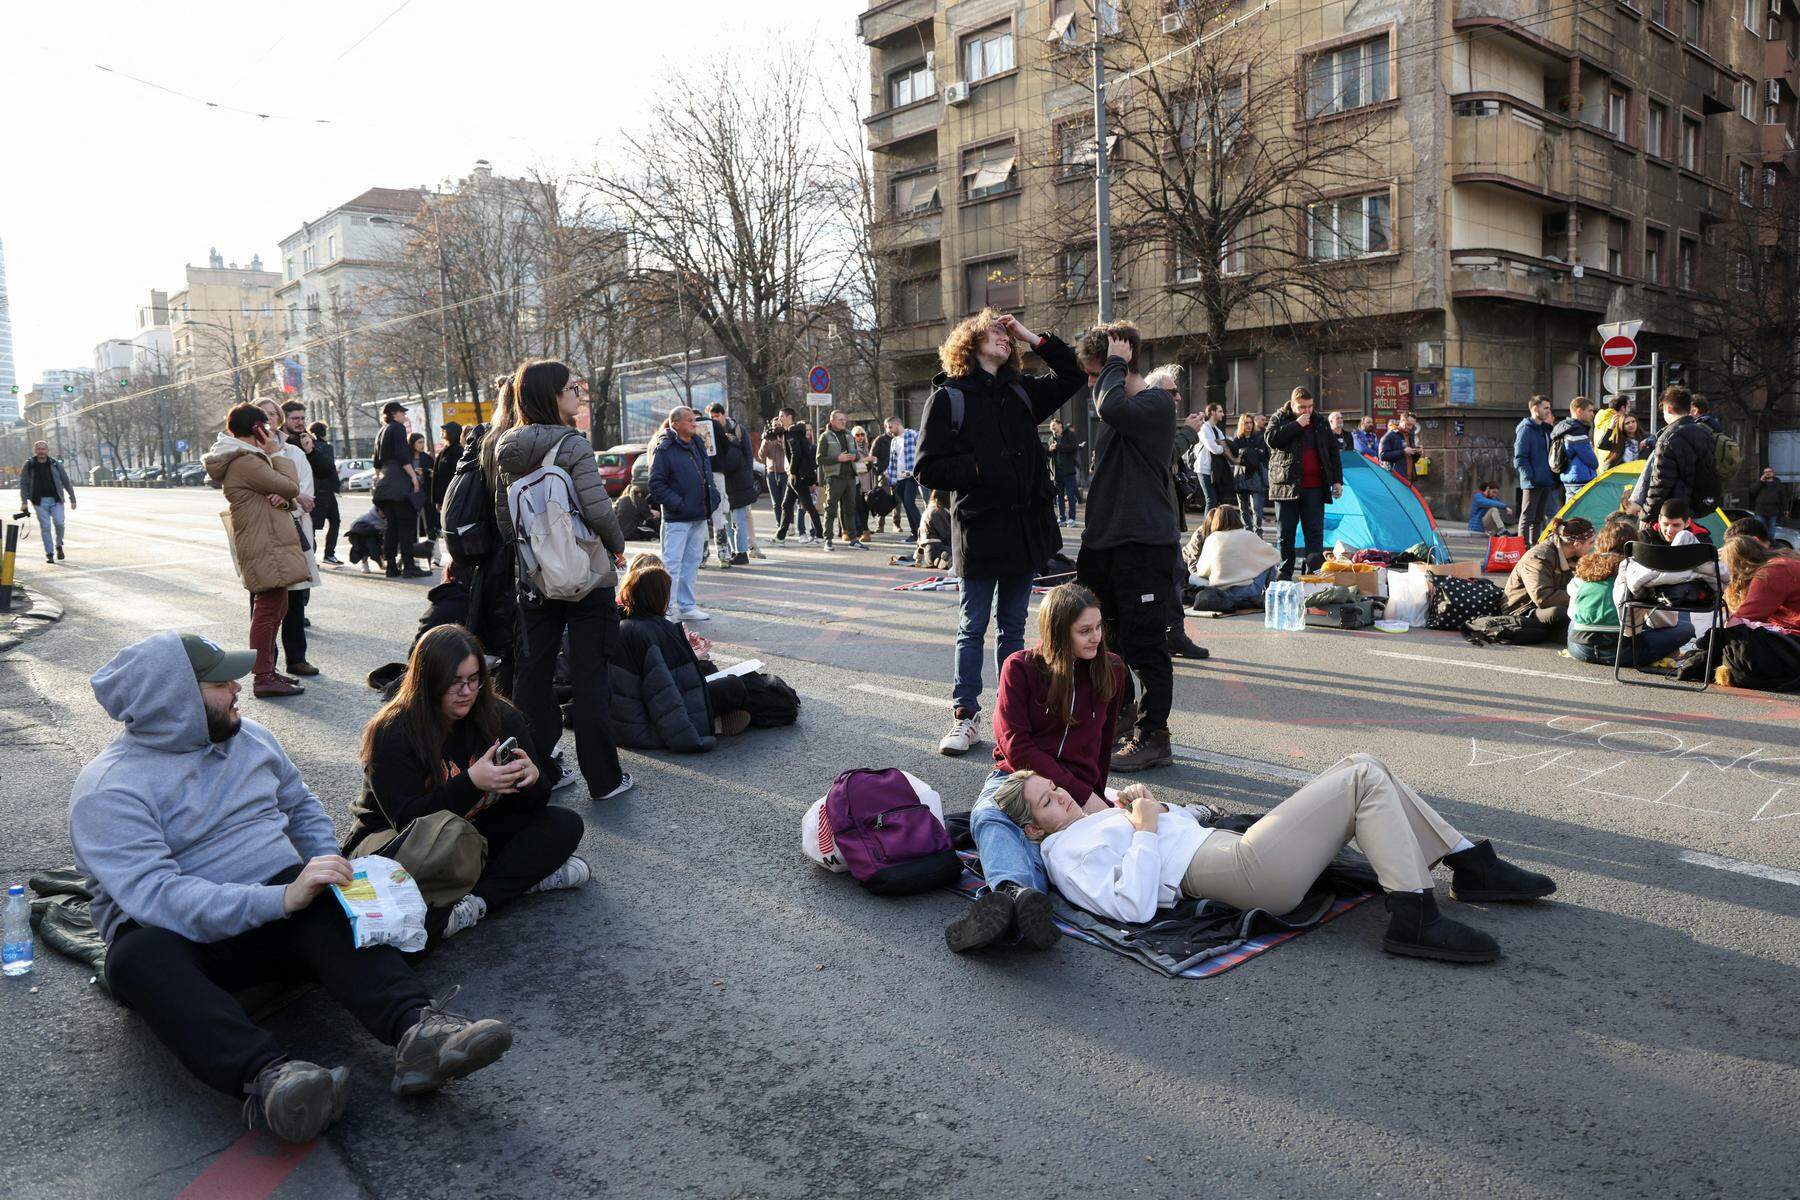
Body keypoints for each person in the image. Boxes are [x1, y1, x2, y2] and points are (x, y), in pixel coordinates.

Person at [70, 632, 514, 1143]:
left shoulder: (251, 737)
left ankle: (421, 1034)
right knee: (134, 958)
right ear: (175, 699)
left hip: (279, 908)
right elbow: (161, 899)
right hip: (188, 937)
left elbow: (302, 807)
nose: (237, 687)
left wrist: (324, 863)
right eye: (221, 683)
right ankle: (274, 1081)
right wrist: (279, 898)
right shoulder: (109, 790)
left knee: (327, 896)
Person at [999, 753, 1554, 963]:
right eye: (1048, 802)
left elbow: (1186, 823)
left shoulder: (1092, 819)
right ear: (1031, 828)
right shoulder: (1064, 853)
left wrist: (1155, 807)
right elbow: (1132, 907)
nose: (1063, 796)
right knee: (1361, 777)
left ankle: (1465, 862)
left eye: (1055, 787)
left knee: (1365, 767)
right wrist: (1144, 831)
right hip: (1235, 868)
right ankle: (1417, 914)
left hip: (1233, 851)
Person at [915, 309, 1086, 755]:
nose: (1004, 338)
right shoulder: (950, 396)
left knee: (1013, 629)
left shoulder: (1020, 390)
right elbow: (926, 467)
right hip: (978, 528)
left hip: (1023, 530)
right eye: (996, 331)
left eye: (1008, 334)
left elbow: (1072, 374)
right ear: (970, 342)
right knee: (972, 626)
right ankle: (964, 715)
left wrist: (1031, 336)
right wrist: (977, 468)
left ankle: (1010, 717)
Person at [349, 624, 587, 942]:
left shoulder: (499, 716)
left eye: (474, 680)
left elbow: (532, 807)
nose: (466, 692)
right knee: (453, 839)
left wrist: (532, 781)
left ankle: (474, 903)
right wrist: (472, 782)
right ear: (428, 682)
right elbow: (408, 820)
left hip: (470, 834)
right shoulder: (393, 731)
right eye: (455, 683)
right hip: (397, 844)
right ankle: (518, 881)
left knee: (564, 823)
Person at [943, 583, 1126, 954]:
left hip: (1074, 793)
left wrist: (1093, 799)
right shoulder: (1021, 667)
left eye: (1099, 626)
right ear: (1058, 631)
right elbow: (1015, 745)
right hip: (1017, 776)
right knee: (989, 815)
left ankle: (1011, 903)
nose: (1097, 637)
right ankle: (1017, 895)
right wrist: (1082, 793)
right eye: (1085, 630)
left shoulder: (1113, 669)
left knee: (1041, 843)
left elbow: (1103, 746)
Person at [492, 359, 631, 801]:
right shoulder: (572, 445)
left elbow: (504, 521)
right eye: (571, 386)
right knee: (590, 677)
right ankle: (604, 780)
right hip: (585, 576)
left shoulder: (505, 450)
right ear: (551, 395)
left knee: (532, 678)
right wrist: (617, 545)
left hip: (534, 579)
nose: (578, 392)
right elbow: (598, 509)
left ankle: (541, 770)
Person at [1075, 320, 1189, 771]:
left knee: (1146, 646)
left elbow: (1111, 406)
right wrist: (1031, 340)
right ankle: (1119, 718)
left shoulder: (1156, 403)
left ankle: (1153, 735)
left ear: (1117, 368)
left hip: (1144, 543)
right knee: (1110, 642)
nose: (1090, 384)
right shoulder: (1115, 405)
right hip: (1106, 544)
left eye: (1094, 373)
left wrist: (1116, 362)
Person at [204, 404, 310, 699]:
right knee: (267, 609)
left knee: (278, 606)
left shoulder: (250, 459)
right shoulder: (245, 461)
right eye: (266, 425)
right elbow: (290, 485)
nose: (272, 431)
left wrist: (285, 500)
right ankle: (263, 675)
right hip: (265, 542)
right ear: (256, 429)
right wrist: (276, 453)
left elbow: (282, 497)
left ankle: (269, 671)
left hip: (270, 538)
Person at [609, 560, 754, 750]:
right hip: (643, 726)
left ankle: (718, 719)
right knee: (734, 685)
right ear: (660, 597)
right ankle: (715, 723)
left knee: (714, 674)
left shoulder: (621, 625)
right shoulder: (656, 630)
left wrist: (693, 655)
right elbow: (663, 694)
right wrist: (692, 739)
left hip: (620, 721)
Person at [647, 406, 720, 621]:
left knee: (692, 562)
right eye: (689, 420)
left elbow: (707, 474)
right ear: (675, 424)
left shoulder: (697, 442)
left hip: (699, 515)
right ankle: (668, 608)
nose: (694, 423)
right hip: (677, 518)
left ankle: (687, 606)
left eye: (694, 419)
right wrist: (679, 504)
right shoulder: (665, 448)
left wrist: (712, 497)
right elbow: (656, 484)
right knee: (672, 564)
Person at [1265, 388, 1344, 580]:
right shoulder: (1279, 418)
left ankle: (1312, 572)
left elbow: (1333, 453)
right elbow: (1271, 439)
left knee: (1314, 533)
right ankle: (1285, 572)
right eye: (1302, 407)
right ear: (1292, 404)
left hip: (1315, 488)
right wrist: (1296, 425)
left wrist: (1337, 481)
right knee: (1286, 533)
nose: (1307, 411)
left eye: (1310, 407)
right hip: (1286, 486)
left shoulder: (1321, 422)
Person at [267, 399, 321, 679]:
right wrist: (288, 495)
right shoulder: (245, 455)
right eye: (261, 415)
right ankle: (267, 667)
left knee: (296, 600)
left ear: (279, 419)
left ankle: (296, 659)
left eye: (272, 414)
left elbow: (307, 497)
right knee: (265, 604)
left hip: (292, 532)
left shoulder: (294, 453)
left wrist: (285, 499)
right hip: (262, 537)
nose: (268, 419)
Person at [1630, 386, 1718, 520]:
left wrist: (1647, 514)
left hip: (1672, 511)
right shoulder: (1704, 432)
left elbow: (1660, 482)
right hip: (1698, 506)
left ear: (1669, 408)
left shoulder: (1668, 438)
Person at [1501, 515, 1595, 628]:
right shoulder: (1538, 557)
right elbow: (1543, 598)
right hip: (1522, 610)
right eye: (1590, 543)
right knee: (1560, 613)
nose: (1593, 547)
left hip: (1547, 606)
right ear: (1577, 545)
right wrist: (1585, 597)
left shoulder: (1574, 557)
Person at [1188, 504, 1278, 612]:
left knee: (1192, 577)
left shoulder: (1212, 538)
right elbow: (1274, 555)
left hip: (1219, 592)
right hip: (1248, 590)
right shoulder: (1248, 535)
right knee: (1269, 561)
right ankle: (1269, 595)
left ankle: (1235, 600)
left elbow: (1202, 571)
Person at [374, 401, 428, 578]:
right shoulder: (397, 428)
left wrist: (378, 482)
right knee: (407, 526)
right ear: (393, 413)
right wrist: (413, 476)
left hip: (384, 484)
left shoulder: (381, 431)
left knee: (392, 527)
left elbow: (377, 463)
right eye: (402, 413)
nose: (405, 417)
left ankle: (391, 566)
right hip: (399, 483)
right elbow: (402, 455)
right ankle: (409, 566)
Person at [707, 401, 759, 564]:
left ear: (723, 415)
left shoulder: (738, 430)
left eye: (717, 416)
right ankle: (733, 551)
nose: (714, 419)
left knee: (738, 519)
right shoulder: (711, 432)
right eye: (712, 417)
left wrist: (748, 476)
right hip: (724, 482)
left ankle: (742, 552)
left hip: (739, 481)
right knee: (727, 520)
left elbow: (748, 455)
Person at [18, 439, 76, 563]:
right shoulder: (29, 464)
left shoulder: (55, 464)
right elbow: (24, 483)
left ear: (47, 451)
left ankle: (59, 545)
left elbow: (66, 481)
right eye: (38, 449)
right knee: (45, 527)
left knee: (59, 523)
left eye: (43, 449)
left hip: (56, 500)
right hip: (39, 502)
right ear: (35, 451)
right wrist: (24, 501)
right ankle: (49, 554)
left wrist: (72, 498)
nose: (41, 451)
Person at [816, 410, 865, 551]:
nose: (843, 422)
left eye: (844, 419)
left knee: (850, 510)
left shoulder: (849, 435)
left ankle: (853, 539)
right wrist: (838, 458)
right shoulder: (825, 437)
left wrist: (853, 457)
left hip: (850, 478)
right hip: (835, 478)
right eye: (840, 419)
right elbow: (819, 459)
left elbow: (856, 455)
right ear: (832, 421)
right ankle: (828, 540)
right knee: (830, 510)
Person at [1513, 395, 1559, 543]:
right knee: (1527, 517)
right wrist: (1530, 477)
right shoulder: (1526, 429)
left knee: (1538, 518)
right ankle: (1523, 548)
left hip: (1545, 480)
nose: (1548, 411)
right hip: (1533, 481)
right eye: (1545, 408)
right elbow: (1520, 458)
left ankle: (1534, 547)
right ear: (1535, 409)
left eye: (1549, 408)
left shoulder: (1545, 429)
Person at [775, 411, 823, 545]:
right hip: (797, 475)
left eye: (782, 417)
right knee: (786, 504)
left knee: (808, 505)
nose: (780, 419)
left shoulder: (792, 433)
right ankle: (780, 536)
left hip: (798, 475)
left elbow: (796, 454)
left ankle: (819, 534)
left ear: (789, 417)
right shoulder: (793, 432)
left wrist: (793, 472)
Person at [306, 420, 343, 565]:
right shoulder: (327, 447)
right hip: (326, 490)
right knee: (334, 521)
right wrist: (336, 485)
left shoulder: (308, 446)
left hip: (314, 489)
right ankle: (329, 554)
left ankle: (311, 556)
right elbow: (329, 468)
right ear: (324, 433)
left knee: (312, 525)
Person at [1227, 412, 1268, 536]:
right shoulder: (1237, 439)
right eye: (1246, 423)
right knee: (1243, 508)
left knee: (1257, 508)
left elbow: (1261, 455)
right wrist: (1251, 453)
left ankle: (1258, 532)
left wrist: (1244, 453)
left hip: (1256, 475)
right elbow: (1234, 456)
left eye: (1250, 422)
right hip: (1241, 475)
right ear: (1242, 424)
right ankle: (1247, 531)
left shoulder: (1259, 437)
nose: (1249, 425)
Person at [1189, 402, 1233, 514]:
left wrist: (1222, 446)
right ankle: (1206, 529)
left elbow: (1224, 444)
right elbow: (1214, 448)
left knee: (1216, 500)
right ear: (1212, 412)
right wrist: (1222, 447)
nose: (1223, 414)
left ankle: (1213, 527)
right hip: (1204, 469)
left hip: (1215, 470)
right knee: (1211, 500)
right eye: (1220, 411)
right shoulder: (1204, 428)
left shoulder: (1217, 430)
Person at [884, 415, 923, 538]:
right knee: (906, 504)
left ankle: (923, 532)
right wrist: (889, 473)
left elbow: (924, 448)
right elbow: (893, 460)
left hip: (911, 475)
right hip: (899, 477)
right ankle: (914, 534)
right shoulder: (894, 441)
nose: (888, 430)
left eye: (890, 427)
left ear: (897, 424)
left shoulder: (912, 434)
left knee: (909, 503)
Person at [1552, 396, 1600, 492]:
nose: (1593, 414)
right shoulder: (1577, 431)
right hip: (1581, 479)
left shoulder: (1564, 428)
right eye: (1589, 411)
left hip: (1569, 477)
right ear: (1579, 411)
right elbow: (1592, 462)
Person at [1047, 417, 1084, 528]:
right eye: (1051, 427)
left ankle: (1072, 519)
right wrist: (1049, 451)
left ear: (1060, 425)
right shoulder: (1050, 439)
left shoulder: (1069, 435)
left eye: (1054, 425)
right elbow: (1050, 456)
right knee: (1059, 496)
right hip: (1057, 473)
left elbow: (1073, 448)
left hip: (1068, 471)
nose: (1052, 428)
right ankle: (1061, 518)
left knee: (1071, 496)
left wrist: (1058, 446)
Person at [409, 431, 439, 552]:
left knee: (431, 526)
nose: (422, 445)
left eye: (423, 442)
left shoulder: (427, 458)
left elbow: (434, 474)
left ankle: (435, 556)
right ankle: (413, 553)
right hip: (411, 497)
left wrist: (426, 473)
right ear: (412, 443)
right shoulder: (407, 458)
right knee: (412, 527)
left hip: (426, 496)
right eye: (419, 442)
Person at [759, 416, 789, 533]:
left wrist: (782, 441)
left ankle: (787, 524)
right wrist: (766, 440)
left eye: (779, 425)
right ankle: (779, 524)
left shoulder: (785, 436)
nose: (777, 428)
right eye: (775, 426)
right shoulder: (768, 438)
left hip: (785, 473)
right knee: (776, 502)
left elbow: (789, 452)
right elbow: (761, 456)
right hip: (772, 473)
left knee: (785, 501)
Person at [432, 422, 463, 532]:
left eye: (444, 430)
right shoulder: (442, 452)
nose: (442, 432)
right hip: (443, 496)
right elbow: (436, 476)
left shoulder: (459, 451)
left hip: (455, 495)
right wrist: (437, 500)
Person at [1594, 395, 1631, 471]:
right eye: (1629, 407)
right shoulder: (1617, 422)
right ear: (1623, 408)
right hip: (1613, 464)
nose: (1629, 410)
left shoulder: (1601, 418)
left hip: (1601, 463)